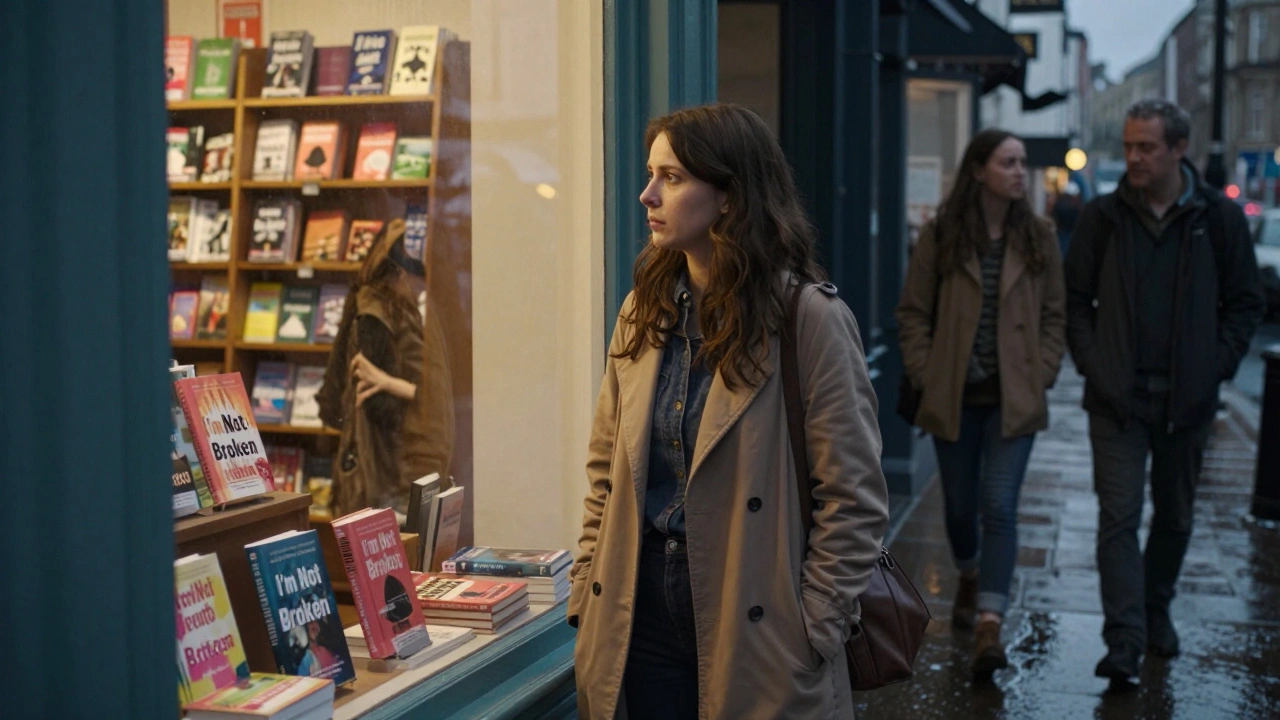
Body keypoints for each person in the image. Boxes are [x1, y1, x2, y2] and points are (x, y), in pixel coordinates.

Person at [567, 103, 889, 720]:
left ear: (730, 198)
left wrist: (813, 628)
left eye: (673, 177)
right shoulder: (644, 311)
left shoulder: (809, 321)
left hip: (757, 622)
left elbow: (854, 499)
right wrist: (587, 584)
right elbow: (606, 472)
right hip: (639, 617)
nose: (647, 194)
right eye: (650, 173)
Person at [1064, 99, 1263, 683]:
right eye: (1128, 146)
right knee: (1118, 518)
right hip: (1116, 398)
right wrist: (1096, 366)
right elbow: (1075, 301)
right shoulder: (1104, 216)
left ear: (1179, 149)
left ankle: (1156, 609)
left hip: (1187, 401)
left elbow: (1245, 303)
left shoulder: (1216, 218)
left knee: (1174, 517)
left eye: (1146, 147)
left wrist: (1214, 368)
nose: (1133, 157)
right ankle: (1123, 638)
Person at [896, 128, 1066, 680]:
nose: (1020, 171)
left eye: (1021, 162)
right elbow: (914, 312)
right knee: (960, 508)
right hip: (953, 398)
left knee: (999, 504)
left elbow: (1055, 317)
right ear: (979, 170)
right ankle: (968, 573)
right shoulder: (943, 235)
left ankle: (990, 622)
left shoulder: (1039, 236)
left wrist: (1041, 374)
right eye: (1008, 162)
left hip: (1013, 400)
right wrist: (927, 370)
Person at [316, 218, 456, 521]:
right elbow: (383, 408)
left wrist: (392, 383)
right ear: (401, 273)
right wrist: (396, 386)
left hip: (404, 471)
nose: (420, 287)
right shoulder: (378, 314)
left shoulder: (397, 309)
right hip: (394, 474)